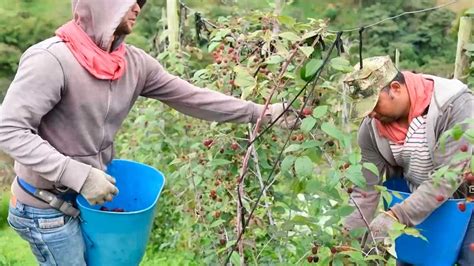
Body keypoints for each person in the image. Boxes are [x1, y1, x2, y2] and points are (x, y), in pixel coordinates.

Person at [0, 1, 297, 265]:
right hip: (45, 206)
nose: (138, 8)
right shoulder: (51, 60)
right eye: (129, 2)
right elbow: (9, 129)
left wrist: (262, 111)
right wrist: (79, 174)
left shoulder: (134, 64)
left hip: (90, 205)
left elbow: (192, 98)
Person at [342, 55, 473, 265]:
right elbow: (365, 190)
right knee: (412, 261)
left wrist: (395, 216)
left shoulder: (454, 106)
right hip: (416, 202)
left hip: (467, 200)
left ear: (395, 87)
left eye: (375, 104)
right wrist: (348, 242)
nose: (372, 114)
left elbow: (448, 178)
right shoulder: (371, 130)